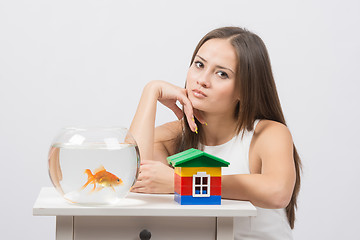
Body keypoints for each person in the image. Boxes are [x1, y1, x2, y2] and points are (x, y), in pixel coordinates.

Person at [128, 26, 301, 239]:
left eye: (222, 74)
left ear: (245, 89)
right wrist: (151, 91)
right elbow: (130, 176)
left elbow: (277, 192)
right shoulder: (174, 136)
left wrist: (181, 182)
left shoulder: (267, 133)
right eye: (199, 65)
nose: (202, 80)